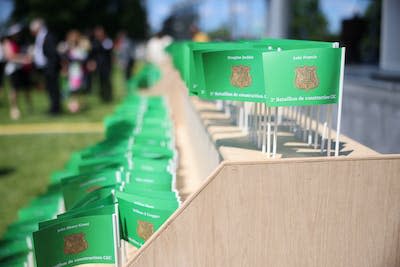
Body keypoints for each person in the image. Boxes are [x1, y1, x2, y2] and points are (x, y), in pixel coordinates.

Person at [30, 18, 62, 115]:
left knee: (54, 89)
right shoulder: (40, 37)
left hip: (51, 67)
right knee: (50, 89)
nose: (32, 31)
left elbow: (53, 53)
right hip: (45, 67)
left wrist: (52, 66)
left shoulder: (48, 36)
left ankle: (55, 109)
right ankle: (53, 108)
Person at [3, 24, 33, 120]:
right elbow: (9, 56)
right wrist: (23, 58)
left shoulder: (23, 42)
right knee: (14, 89)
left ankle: (29, 108)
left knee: (27, 89)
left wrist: (27, 58)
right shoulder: (7, 42)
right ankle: (14, 109)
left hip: (24, 69)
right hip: (13, 69)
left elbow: (29, 54)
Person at [89, 26, 113, 102]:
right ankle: (102, 97)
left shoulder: (107, 40)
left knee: (107, 81)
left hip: (106, 65)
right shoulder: (94, 42)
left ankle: (108, 96)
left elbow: (108, 49)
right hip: (98, 65)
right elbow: (92, 53)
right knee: (99, 81)